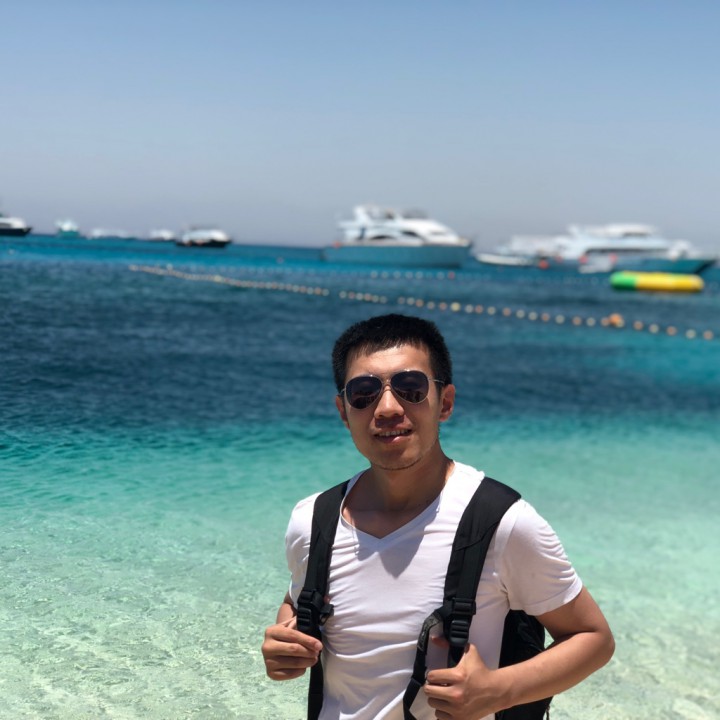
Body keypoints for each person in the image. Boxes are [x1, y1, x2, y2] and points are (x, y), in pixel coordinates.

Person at [262, 313, 614, 720]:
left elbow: (593, 638)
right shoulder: (312, 520)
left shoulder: (498, 522)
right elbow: (297, 599)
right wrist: (286, 643)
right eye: (364, 393)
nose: (387, 408)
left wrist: (498, 691)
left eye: (410, 388)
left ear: (444, 402)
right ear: (344, 411)